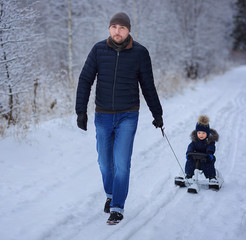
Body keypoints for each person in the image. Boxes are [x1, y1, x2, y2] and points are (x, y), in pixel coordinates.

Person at [75, 12, 163, 225]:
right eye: (114, 27)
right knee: (104, 163)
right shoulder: (98, 50)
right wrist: (81, 111)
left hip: (128, 115)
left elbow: (148, 85)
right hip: (103, 115)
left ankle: (117, 207)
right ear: (109, 29)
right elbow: (85, 79)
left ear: (129, 30)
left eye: (122, 28)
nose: (117, 31)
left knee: (122, 163)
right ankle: (111, 194)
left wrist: (157, 113)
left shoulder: (140, 53)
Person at [185, 115, 219, 184]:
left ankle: (211, 177)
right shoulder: (195, 141)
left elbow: (211, 147)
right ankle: (189, 175)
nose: (201, 135)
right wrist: (189, 152)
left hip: (206, 158)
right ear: (196, 133)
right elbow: (191, 146)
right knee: (190, 162)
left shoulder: (209, 141)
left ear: (207, 133)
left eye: (203, 133)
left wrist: (209, 153)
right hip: (196, 157)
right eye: (199, 133)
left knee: (209, 164)